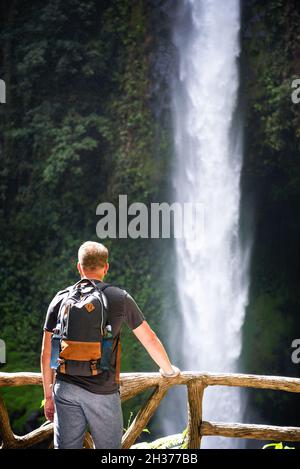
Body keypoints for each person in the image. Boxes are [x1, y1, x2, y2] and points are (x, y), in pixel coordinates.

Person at [41, 241, 180, 449]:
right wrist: (169, 371)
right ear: (106, 267)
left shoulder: (60, 299)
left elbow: (46, 352)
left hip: (65, 388)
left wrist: (48, 396)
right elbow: (149, 338)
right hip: (102, 391)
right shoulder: (119, 298)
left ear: (79, 267)